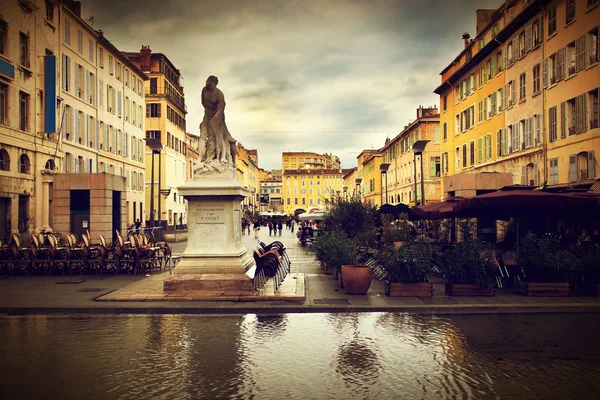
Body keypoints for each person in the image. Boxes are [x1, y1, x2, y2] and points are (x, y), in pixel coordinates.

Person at [197, 75, 237, 167]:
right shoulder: (204, 90)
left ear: (214, 84)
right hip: (207, 115)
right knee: (202, 135)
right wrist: (208, 114)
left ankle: (221, 156)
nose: (207, 83)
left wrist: (215, 118)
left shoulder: (219, 94)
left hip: (218, 117)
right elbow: (203, 103)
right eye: (206, 81)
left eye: (209, 82)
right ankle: (200, 158)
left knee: (219, 135)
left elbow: (221, 108)